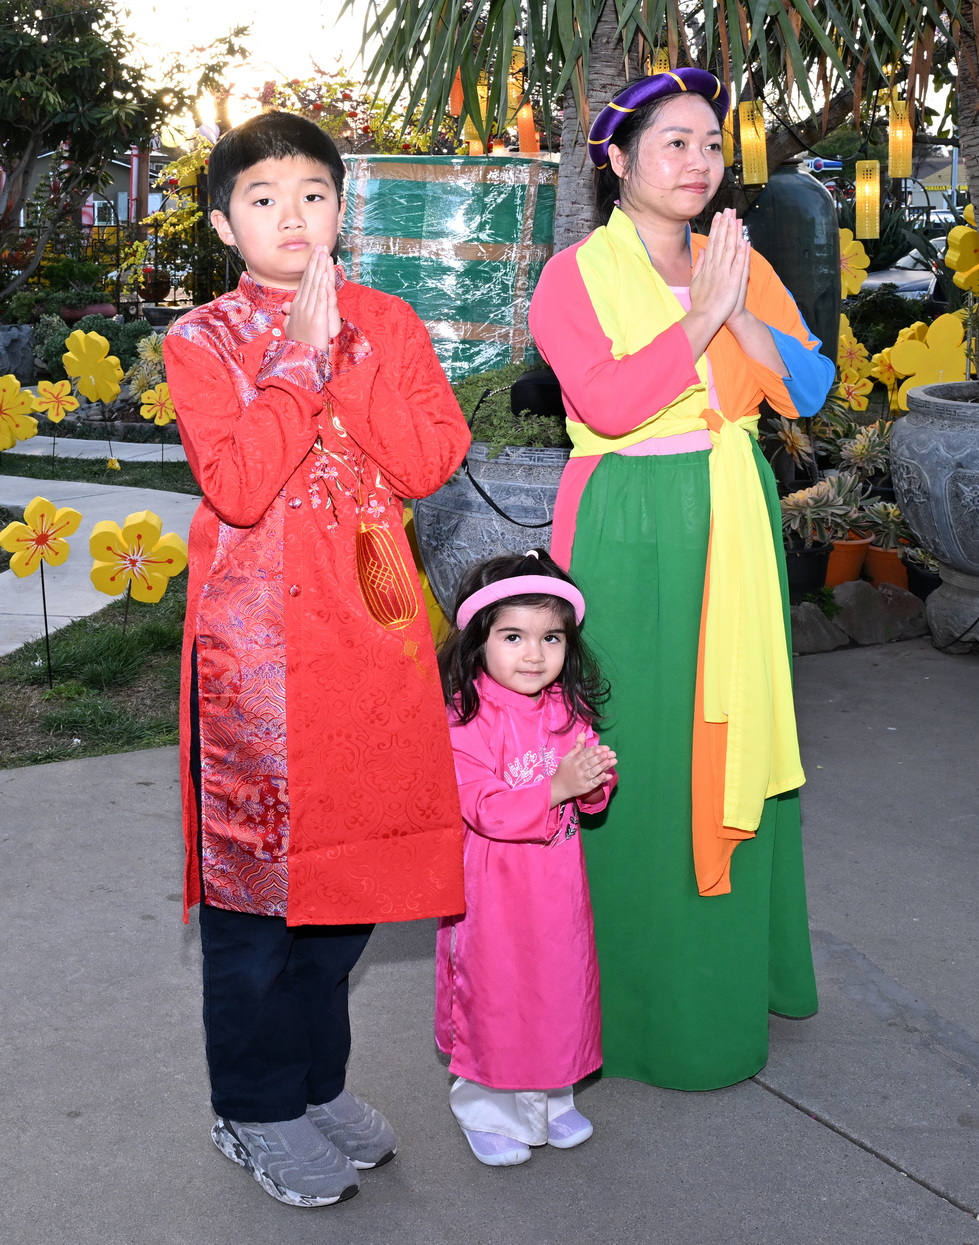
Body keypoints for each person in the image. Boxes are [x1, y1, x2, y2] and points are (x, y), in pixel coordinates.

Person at [162, 111, 470, 1207]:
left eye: (312, 194)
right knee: (257, 907)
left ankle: (315, 1082)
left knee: (353, 881)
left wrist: (347, 351)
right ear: (223, 224)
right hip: (254, 665)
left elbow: (429, 460)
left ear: (343, 208)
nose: (291, 215)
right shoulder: (201, 340)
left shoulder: (387, 320)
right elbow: (240, 485)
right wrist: (299, 360)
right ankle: (253, 1106)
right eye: (263, 198)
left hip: (373, 642)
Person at [528, 69, 835, 1091]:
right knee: (638, 750)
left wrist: (736, 314)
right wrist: (701, 318)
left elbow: (808, 389)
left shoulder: (735, 260)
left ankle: (725, 982)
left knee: (735, 740)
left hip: (733, 521)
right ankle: (621, 1004)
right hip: (630, 525)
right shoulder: (572, 276)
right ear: (617, 161)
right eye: (673, 143)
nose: (697, 161)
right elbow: (609, 405)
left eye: (710, 144)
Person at [434, 550, 617, 1166]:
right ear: (478, 641)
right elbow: (484, 808)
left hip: (558, 891)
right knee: (500, 998)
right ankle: (487, 1109)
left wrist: (592, 782)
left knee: (559, 989)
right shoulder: (465, 719)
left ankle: (551, 1096)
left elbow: (590, 794)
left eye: (551, 638)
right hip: (493, 900)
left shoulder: (566, 709)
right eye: (513, 637)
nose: (534, 655)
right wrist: (558, 786)